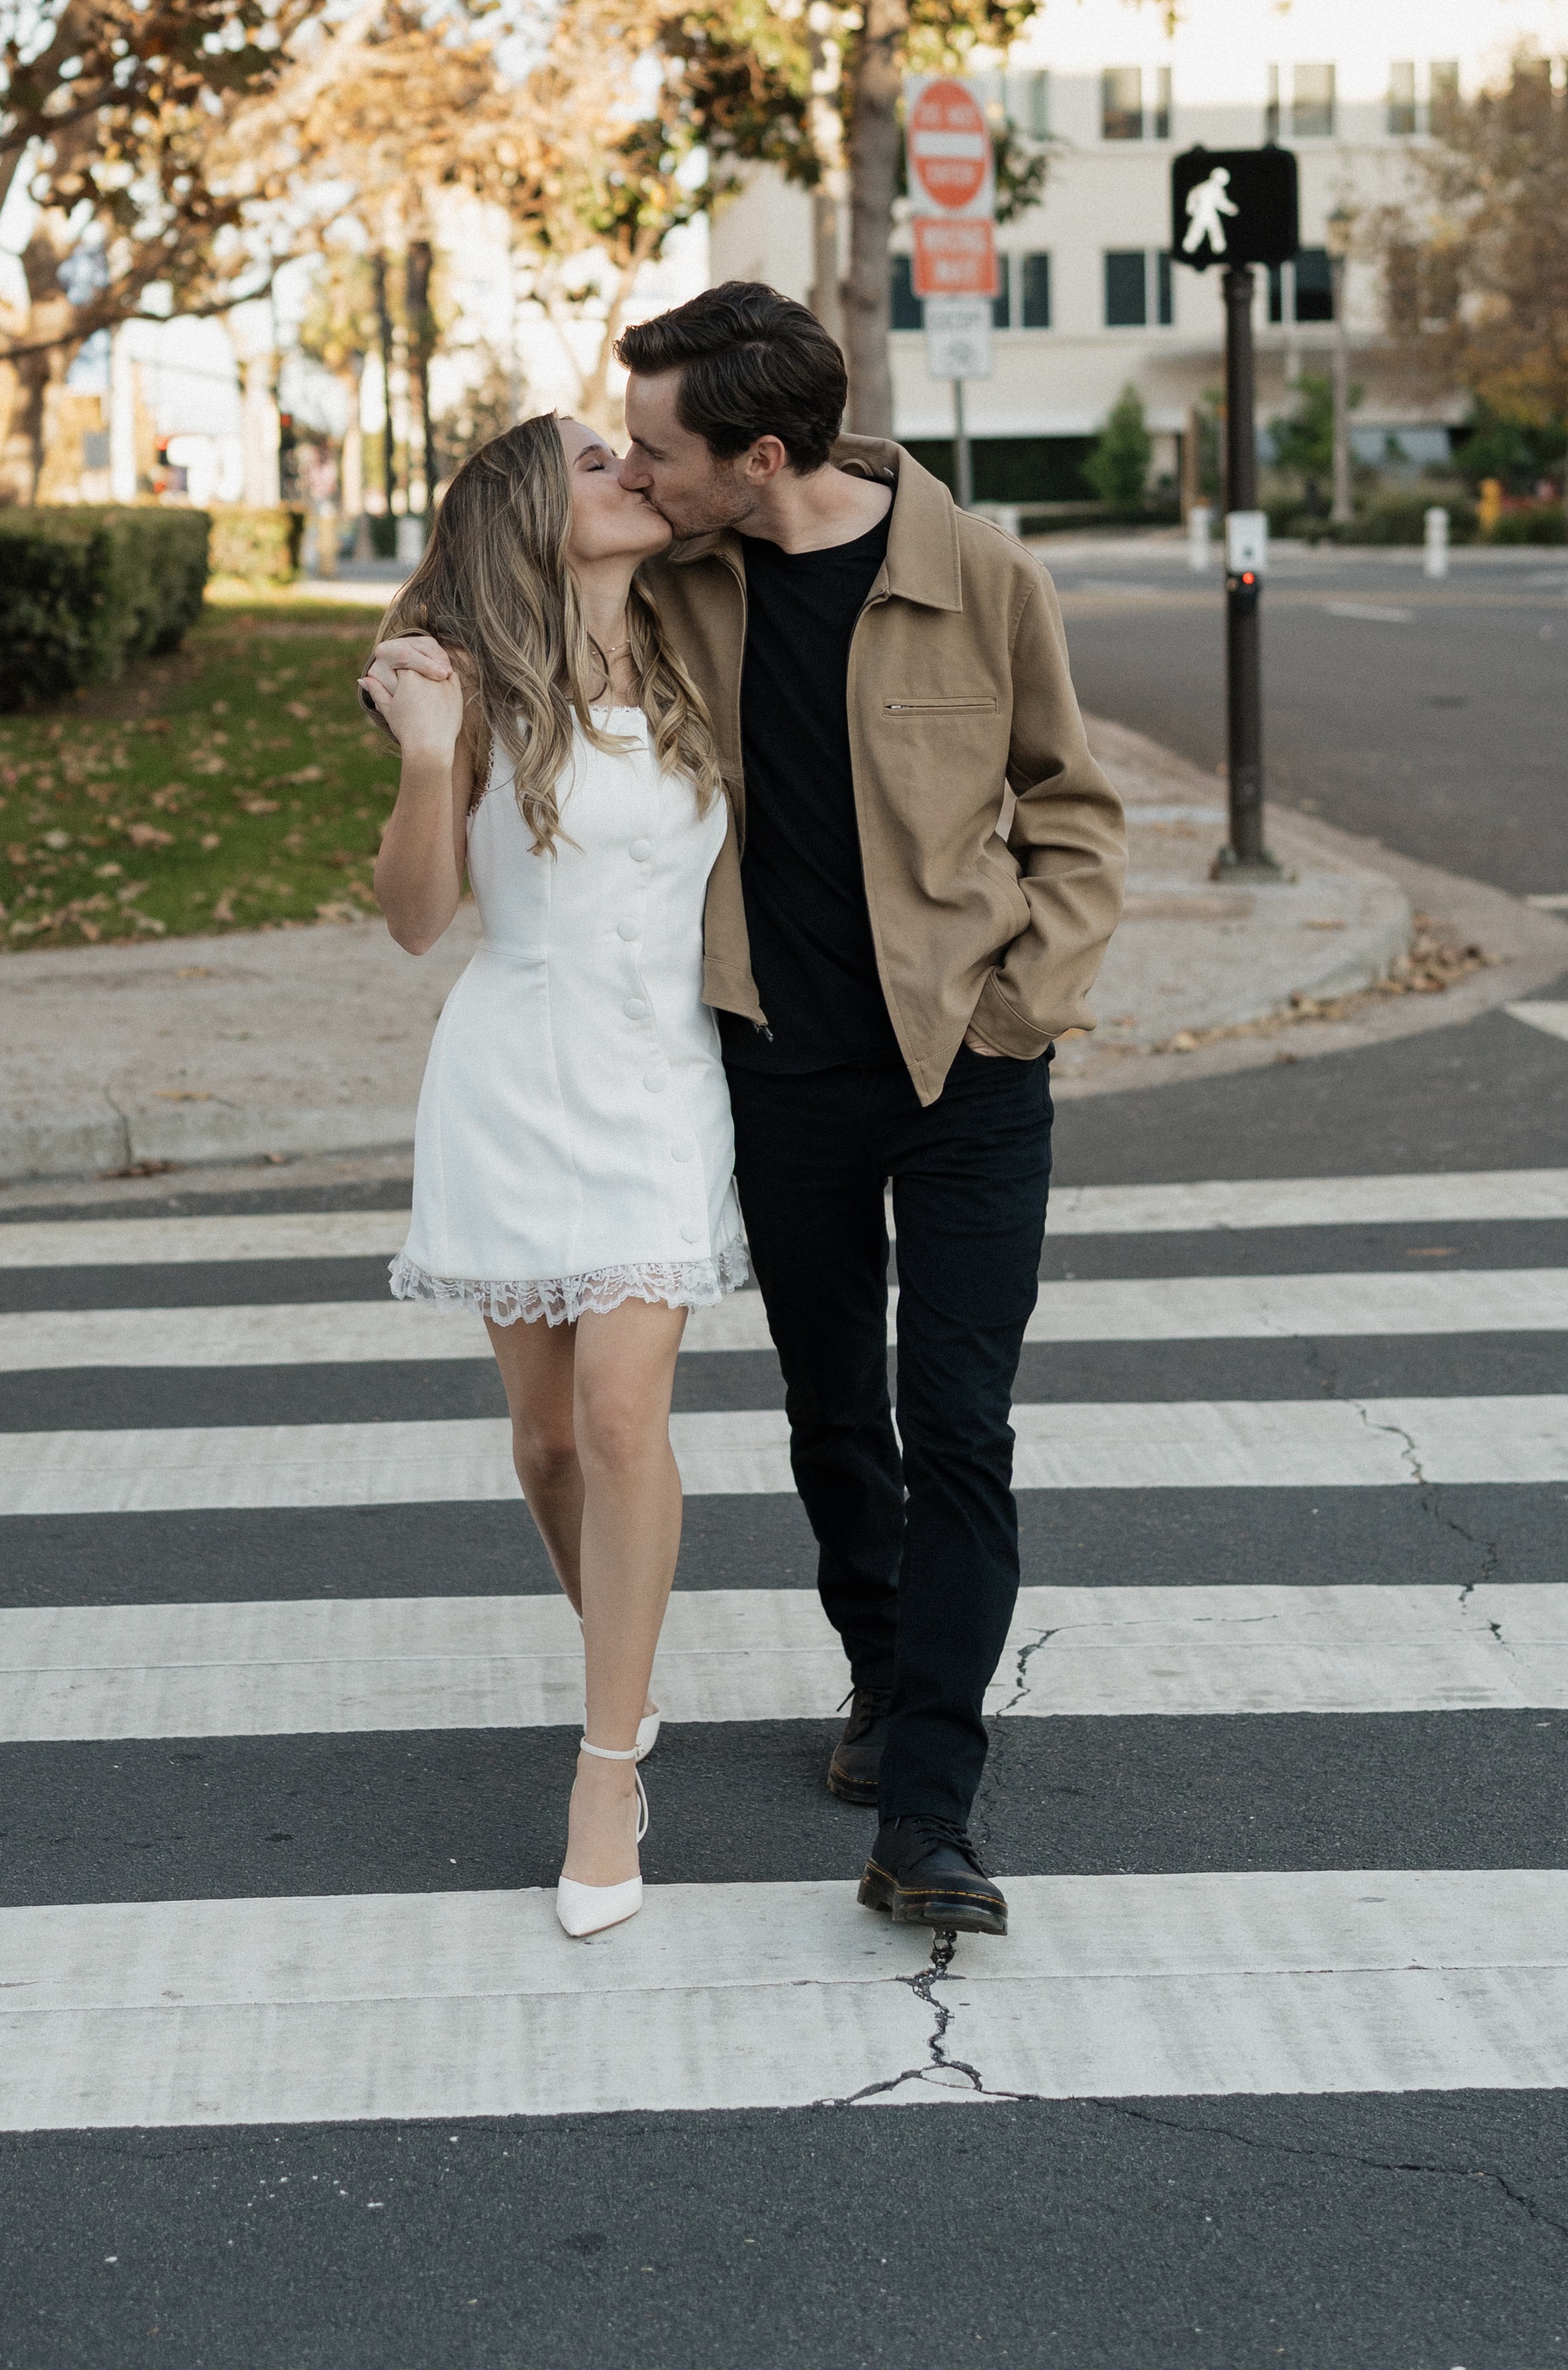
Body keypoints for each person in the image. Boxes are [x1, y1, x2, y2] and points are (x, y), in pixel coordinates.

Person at [618, 280, 1125, 1939]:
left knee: (959, 1429)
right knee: (836, 1411)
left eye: (661, 449)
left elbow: (1074, 806)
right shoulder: (674, 577)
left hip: (967, 1077)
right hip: (780, 1073)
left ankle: (930, 1807)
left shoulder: (977, 578)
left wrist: (1019, 1008)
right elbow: (490, 611)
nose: (641, 474)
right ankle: (877, 1673)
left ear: (758, 454)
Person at [360, 412, 748, 1942]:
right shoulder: (460, 685)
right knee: (541, 1450)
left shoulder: (697, 652)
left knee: (617, 1415)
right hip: (511, 1079)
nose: (633, 472)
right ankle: (624, 1650)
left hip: (659, 1084)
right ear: (534, 514)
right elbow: (410, 921)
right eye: (598, 461)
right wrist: (423, 758)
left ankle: (605, 1772)